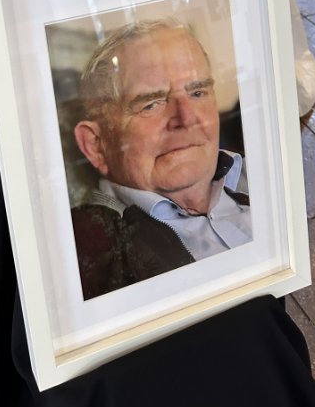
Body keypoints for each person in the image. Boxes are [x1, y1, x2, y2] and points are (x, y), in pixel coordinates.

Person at [71, 19, 252, 300]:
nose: (187, 118)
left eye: (197, 92)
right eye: (151, 104)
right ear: (96, 145)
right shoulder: (90, 258)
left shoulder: (265, 171)